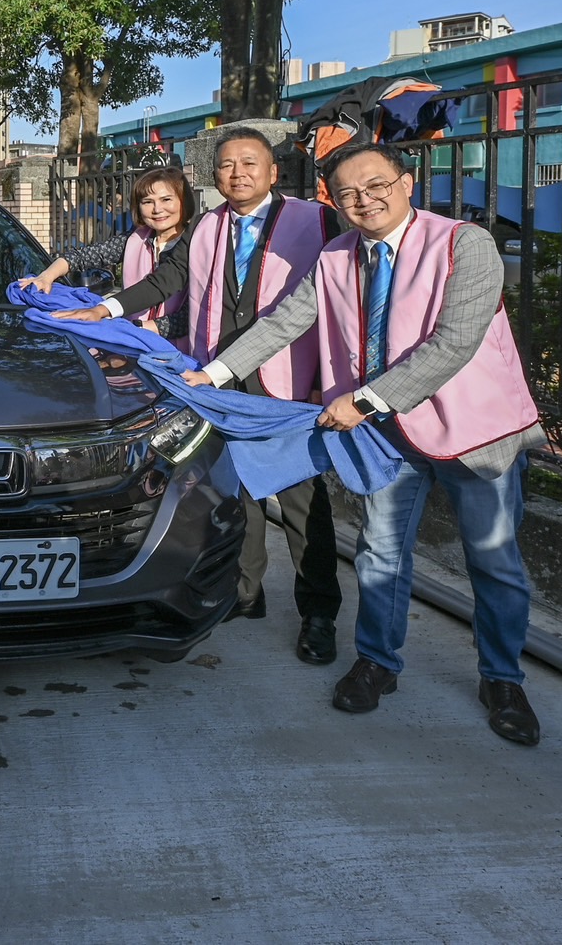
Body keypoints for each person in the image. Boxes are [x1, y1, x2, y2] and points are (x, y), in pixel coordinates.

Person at [182, 142, 547, 745]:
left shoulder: (464, 244)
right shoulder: (335, 256)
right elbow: (281, 323)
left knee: (495, 562)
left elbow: (452, 344)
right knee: (380, 554)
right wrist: (214, 374)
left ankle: (503, 678)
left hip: (473, 435)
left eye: (376, 185)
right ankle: (378, 662)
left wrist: (366, 400)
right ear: (333, 200)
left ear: (406, 183)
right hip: (386, 438)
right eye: (348, 192)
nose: (364, 200)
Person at [54, 129, 345, 666]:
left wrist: (332, 378)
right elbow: (168, 278)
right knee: (238, 492)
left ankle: (319, 611)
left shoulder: (316, 220)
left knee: (303, 503)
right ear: (214, 177)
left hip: (288, 383)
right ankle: (246, 592)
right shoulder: (208, 225)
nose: (238, 173)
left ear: (273, 171)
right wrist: (105, 310)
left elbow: (342, 296)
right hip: (219, 380)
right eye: (227, 165)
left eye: (250, 163)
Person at [21, 166, 193, 343]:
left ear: (183, 201)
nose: (157, 209)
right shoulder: (134, 241)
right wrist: (46, 276)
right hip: (129, 344)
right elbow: (84, 256)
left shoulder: (197, 244)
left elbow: (193, 315)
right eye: (147, 201)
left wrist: (128, 328)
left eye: (166, 199)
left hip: (181, 351)